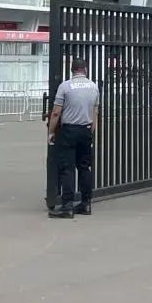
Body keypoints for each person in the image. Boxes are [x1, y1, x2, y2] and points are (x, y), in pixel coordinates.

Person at [47, 57, 98, 219]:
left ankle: (67, 206)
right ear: (86, 69)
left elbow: (56, 112)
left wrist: (51, 131)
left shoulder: (65, 86)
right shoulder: (93, 87)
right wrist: (91, 130)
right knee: (84, 167)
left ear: (72, 70)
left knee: (67, 168)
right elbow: (95, 112)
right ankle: (86, 203)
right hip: (86, 129)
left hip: (69, 131)